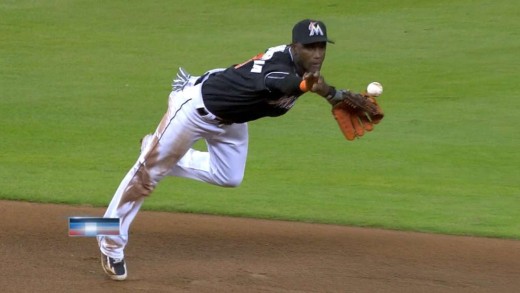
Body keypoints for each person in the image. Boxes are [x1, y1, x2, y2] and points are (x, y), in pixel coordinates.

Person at [98, 19, 354, 281]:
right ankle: (110, 245)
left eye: (321, 47)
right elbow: (280, 83)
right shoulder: (277, 69)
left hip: (230, 120)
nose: (318, 54)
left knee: (229, 176)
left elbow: (299, 84)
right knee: (145, 178)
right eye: (310, 47)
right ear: (294, 46)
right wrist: (310, 88)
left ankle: (158, 151)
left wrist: (333, 94)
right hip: (194, 112)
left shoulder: (298, 68)